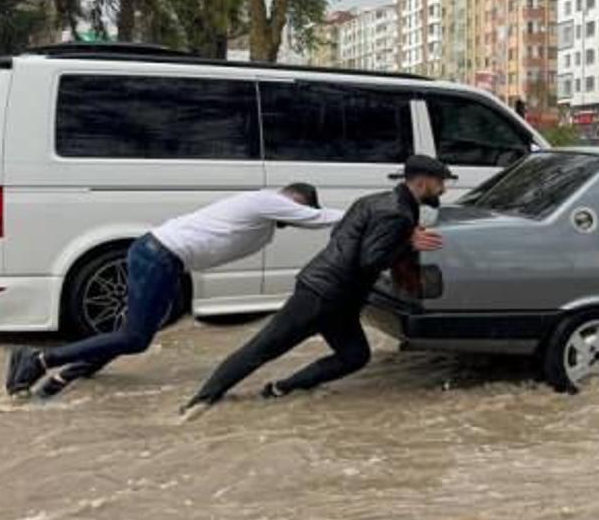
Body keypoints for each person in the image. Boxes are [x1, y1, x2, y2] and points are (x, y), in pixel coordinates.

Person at [4, 184, 344, 398]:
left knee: (136, 334)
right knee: (135, 338)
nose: (297, 218)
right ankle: (39, 359)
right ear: (293, 200)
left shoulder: (263, 225)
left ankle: (66, 374)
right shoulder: (264, 200)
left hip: (163, 260)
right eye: (299, 210)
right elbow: (320, 217)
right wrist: (372, 211)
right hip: (159, 256)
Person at [182, 155, 452, 415]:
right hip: (322, 294)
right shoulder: (397, 213)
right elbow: (370, 260)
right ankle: (201, 401)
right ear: (424, 182)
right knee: (263, 348)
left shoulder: (376, 201)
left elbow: (340, 234)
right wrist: (407, 244)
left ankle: (281, 390)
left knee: (354, 355)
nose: (443, 189)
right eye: (441, 182)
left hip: (339, 297)